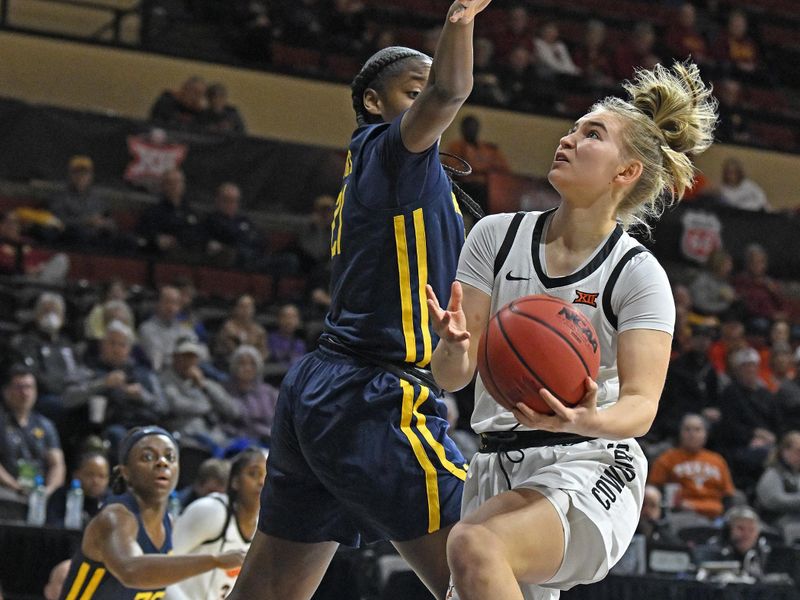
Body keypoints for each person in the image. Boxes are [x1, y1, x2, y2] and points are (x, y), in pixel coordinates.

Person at [227, 3, 491, 599]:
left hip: (326, 389)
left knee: (267, 591)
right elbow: (451, 89)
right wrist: (460, 18)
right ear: (375, 102)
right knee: (488, 573)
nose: (427, 102)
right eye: (410, 91)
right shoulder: (389, 155)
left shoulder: (423, 182)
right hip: (375, 396)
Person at [426, 60, 717, 599]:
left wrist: (590, 418)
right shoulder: (494, 236)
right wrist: (452, 344)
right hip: (495, 462)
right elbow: (450, 378)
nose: (569, 138)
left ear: (625, 172)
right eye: (574, 127)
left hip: (591, 459)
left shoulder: (637, 273)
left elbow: (641, 406)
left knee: (472, 545)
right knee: (473, 552)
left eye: (592, 134)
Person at [57, 426, 245, 599]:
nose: (162, 463)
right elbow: (131, 571)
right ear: (125, 472)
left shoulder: (168, 522)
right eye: (148, 457)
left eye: (170, 457)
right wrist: (215, 561)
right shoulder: (115, 517)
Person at [165, 448, 267, 600]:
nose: (262, 482)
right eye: (254, 474)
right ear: (235, 481)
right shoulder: (211, 511)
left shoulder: (264, 529)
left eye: (269, 477)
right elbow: (161, 568)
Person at [648, 414, 736, 520]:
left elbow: (728, 494)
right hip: (680, 514)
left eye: (697, 430)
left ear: (706, 434)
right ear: (680, 433)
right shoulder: (667, 459)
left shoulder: (717, 460)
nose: (692, 434)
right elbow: (654, 488)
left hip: (715, 515)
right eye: (687, 429)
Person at [46, 451, 110, 527]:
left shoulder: (111, 500)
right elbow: (53, 525)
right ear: (76, 475)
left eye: (101, 476)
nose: (96, 481)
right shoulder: (61, 496)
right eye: (90, 474)